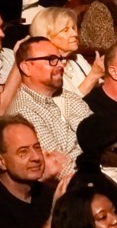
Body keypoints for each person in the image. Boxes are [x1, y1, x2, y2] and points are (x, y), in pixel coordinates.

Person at [8, 37, 92, 173]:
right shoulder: (24, 111)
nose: (60, 65)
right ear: (26, 67)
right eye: (51, 60)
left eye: (60, 59)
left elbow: (99, 137)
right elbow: (60, 169)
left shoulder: (66, 96)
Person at [29, 7, 104, 96]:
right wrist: (94, 75)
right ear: (46, 36)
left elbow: (100, 90)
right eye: (65, 30)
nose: (75, 34)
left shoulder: (77, 59)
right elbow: (67, 106)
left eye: (73, 28)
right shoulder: (46, 68)